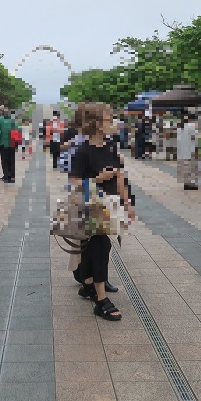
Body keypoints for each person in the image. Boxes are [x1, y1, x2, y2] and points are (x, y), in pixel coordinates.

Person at [70, 102, 135, 321]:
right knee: (101, 245)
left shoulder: (110, 146)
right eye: (109, 119)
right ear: (97, 125)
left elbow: (119, 177)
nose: (113, 123)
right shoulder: (82, 151)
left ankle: (87, 283)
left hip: (108, 204)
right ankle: (100, 299)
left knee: (94, 246)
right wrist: (98, 179)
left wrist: (127, 203)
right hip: (89, 205)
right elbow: (75, 183)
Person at [0, 107, 19, 184]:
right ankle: (12, 177)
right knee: (12, 159)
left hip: (3, 143)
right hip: (12, 143)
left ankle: (6, 176)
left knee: (5, 160)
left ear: (2, 111)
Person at [176, 113, 198, 190]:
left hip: (182, 151)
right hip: (190, 149)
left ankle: (186, 183)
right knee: (191, 167)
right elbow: (194, 139)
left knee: (184, 167)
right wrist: (196, 148)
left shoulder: (180, 128)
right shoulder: (191, 127)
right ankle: (191, 183)